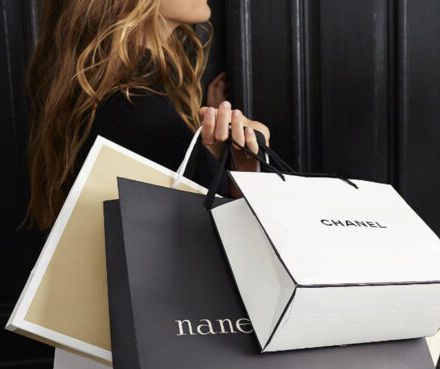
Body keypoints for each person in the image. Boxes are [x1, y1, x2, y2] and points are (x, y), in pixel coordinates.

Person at [25, 0, 270, 230]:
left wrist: (208, 152)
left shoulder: (105, 96)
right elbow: (232, 236)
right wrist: (250, 165)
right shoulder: (139, 113)